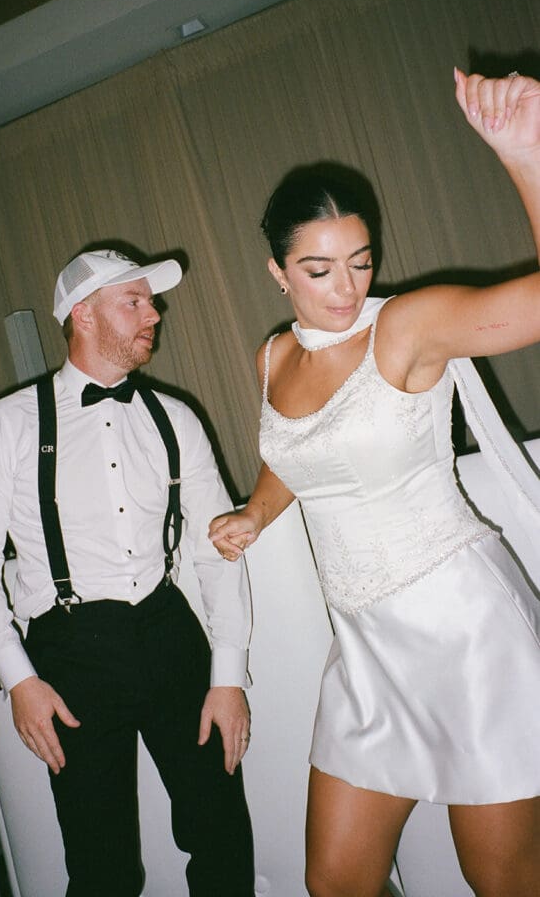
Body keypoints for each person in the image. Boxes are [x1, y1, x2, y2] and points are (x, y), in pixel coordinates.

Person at [209, 68, 540, 897]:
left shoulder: (406, 327)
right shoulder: (274, 355)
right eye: (317, 270)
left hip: (465, 636)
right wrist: (254, 510)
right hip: (362, 649)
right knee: (336, 882)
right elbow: (296, 453)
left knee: (500, 878)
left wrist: (523, 154)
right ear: (276, 271)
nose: (345, 288)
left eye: (358, 262)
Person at [0, 247, 255, 897]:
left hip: (169, 632)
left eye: (150, 301)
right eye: (135, 301)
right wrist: (19, 679)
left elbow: (216, 548)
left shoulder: (176, 419)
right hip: (69, 653)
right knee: (102, 863)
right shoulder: (8, 425)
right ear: (82, 315)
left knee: (221, 832)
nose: (155, 313)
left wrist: (226, 676)